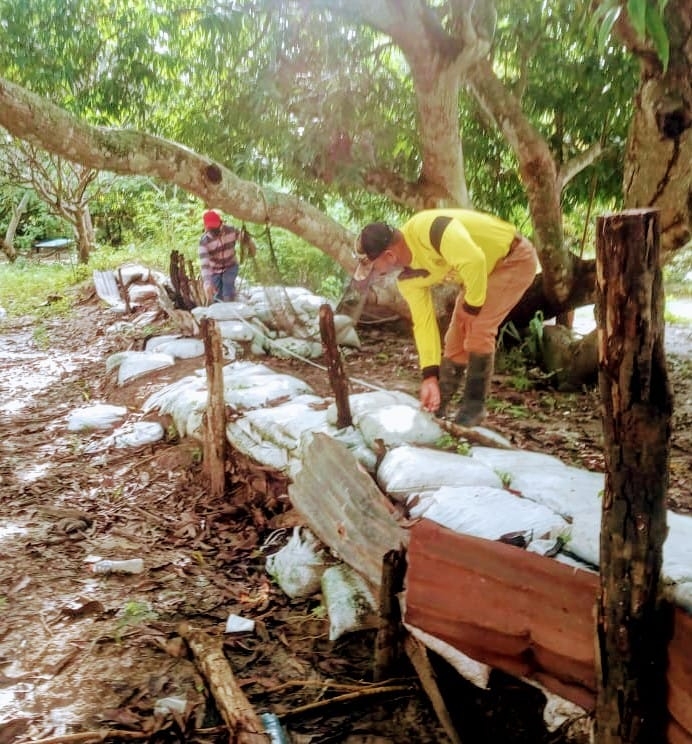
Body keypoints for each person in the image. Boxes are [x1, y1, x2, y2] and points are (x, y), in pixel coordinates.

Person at [353, 209, 537, 426]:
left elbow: (474, 260)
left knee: (478, 327)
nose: (375, 274)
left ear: (389, 256)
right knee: (454, 339)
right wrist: (429, 375)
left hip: (513, 258)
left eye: (374, 268)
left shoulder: (431, 229)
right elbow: (423, 324)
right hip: (480, 274)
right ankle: (441, 402)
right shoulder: (408, 279)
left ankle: (473, 408)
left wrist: (472, 306)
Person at [198, 209, 241, 302]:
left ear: (221, 223)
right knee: (217, 295)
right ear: (206, 228)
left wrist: (248, 241)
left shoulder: (231, 230)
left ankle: (231, 308)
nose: (214, 230)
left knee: (227, 289)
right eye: (211, 228)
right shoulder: (204, 242)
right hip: (214, 270)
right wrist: (207, 283)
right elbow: (204, 264)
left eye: (215, 227)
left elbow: (243, 237)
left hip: (231, 266)